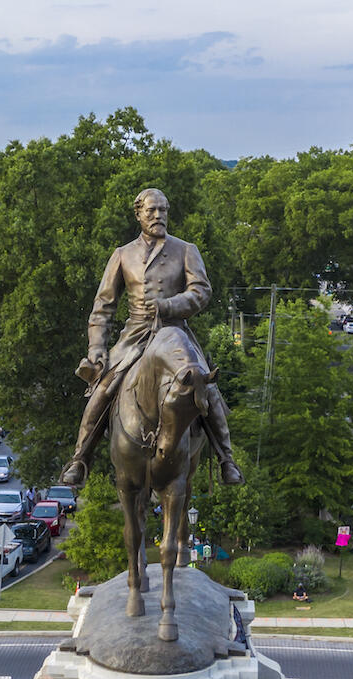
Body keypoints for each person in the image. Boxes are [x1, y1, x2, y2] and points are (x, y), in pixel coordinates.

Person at [60, 187, 241, 487]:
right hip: (135, 335)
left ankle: (227, 460)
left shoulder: (186, 249)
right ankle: (80, 458)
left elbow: (201, 291)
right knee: (103, 389)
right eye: (151, 211)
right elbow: (103, 306)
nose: (158, 216)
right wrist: (97, 347)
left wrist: (169, 305)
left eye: (163, 210)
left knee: (206, 386)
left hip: (175, 333)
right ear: (139, 214)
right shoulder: (122, 255)